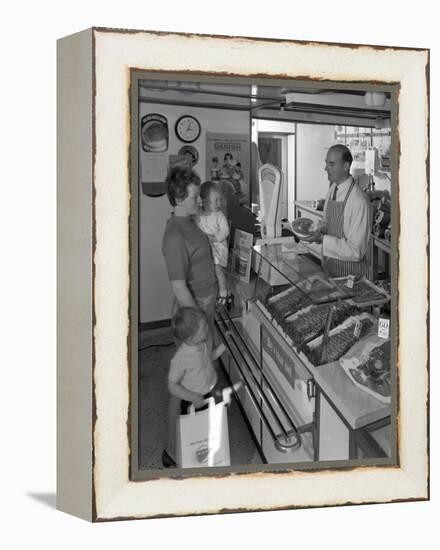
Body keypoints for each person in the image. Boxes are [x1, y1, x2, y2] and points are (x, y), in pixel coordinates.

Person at [162, 307, 226, 468]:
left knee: (206, 426)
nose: (208, 328)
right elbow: (172, 385)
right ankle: (188, 459)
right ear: (190, 338)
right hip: (193, 399)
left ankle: (206, 454)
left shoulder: (201, 344)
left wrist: (225, 345)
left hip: (208, 391)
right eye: (204, 327)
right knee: (192, 431)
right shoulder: (181, 358)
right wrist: (192, 397)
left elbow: (208, 358)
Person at [162, 165, 217, 330]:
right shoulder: (174, 236)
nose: (200, 200)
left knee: (208, 351)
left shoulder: (191, 221)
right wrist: (198, 323)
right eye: (195, 197)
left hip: (207, 298)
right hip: (196, 304)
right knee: (198, 353)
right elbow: (179, 288)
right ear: (179, 199)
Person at [305, 144, 371, 278]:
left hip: (350, 277)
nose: (325, 168)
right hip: (330, 269)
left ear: (346, 166)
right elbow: (328, 223)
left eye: (331, 164)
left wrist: (322, 239)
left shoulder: (359, 201)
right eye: (326, 163)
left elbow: (355, 251)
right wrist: (316, 230)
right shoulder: (333, 189)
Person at [197, 181, 233, 308]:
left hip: (218, 248)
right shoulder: (198, 214)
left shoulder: (219, 215)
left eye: (220, 200)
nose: (220, 203)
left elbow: (226, 230)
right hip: (205, 248)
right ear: (205, 201)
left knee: (217, 267)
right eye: (216, 200)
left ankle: (223, 292)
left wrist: (215, 237)